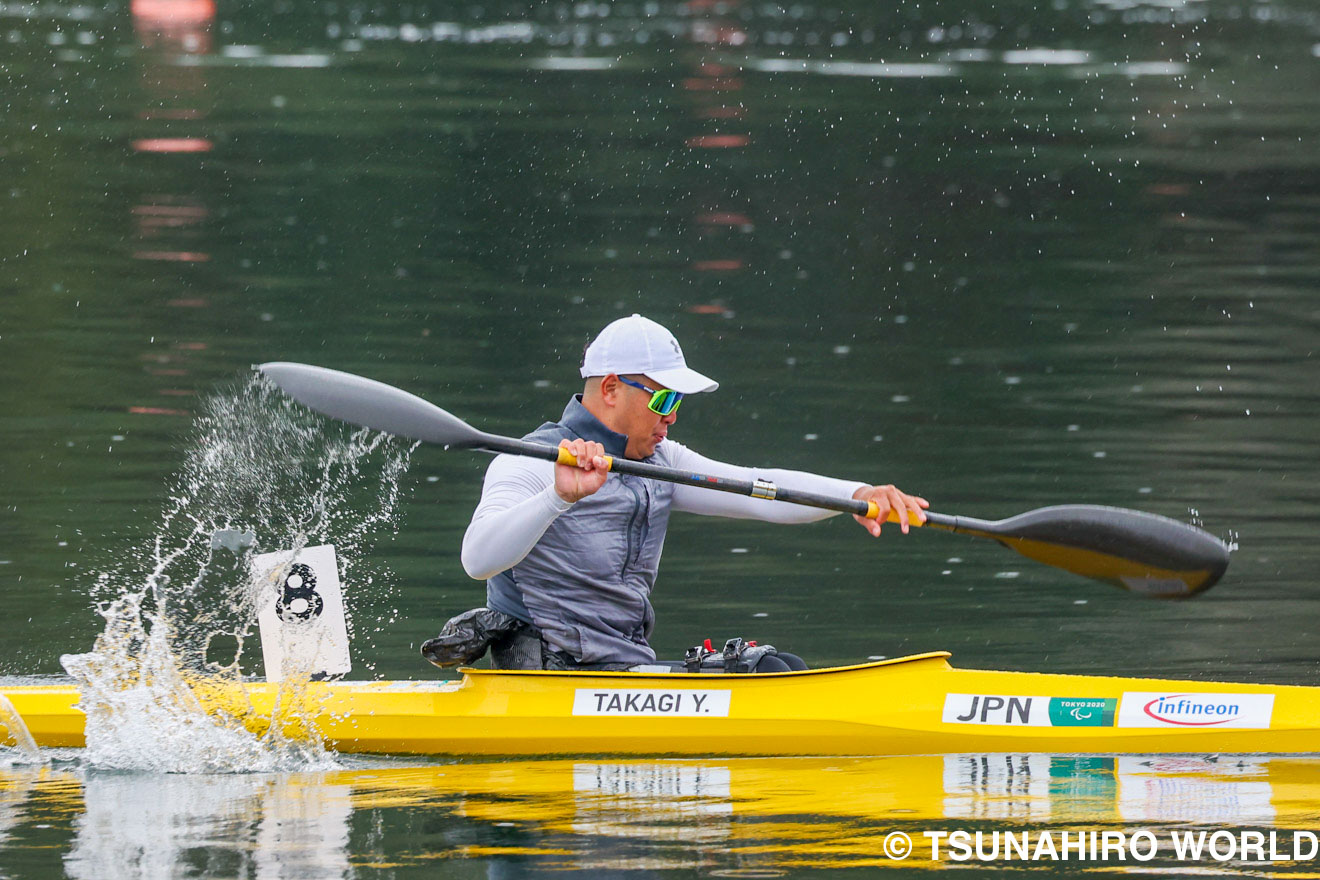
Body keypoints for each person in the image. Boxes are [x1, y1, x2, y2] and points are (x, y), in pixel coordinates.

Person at [455, 314, 928, 671]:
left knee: (775, 670)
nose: (672, 417)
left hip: (624, 672)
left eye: (678, 403)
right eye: (664, 400)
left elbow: (760, 491)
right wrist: (559, 498)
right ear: (613, 388)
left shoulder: (664, 463)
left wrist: (858, 495)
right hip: (544, 677)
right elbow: (477, 560)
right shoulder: (529, 460)